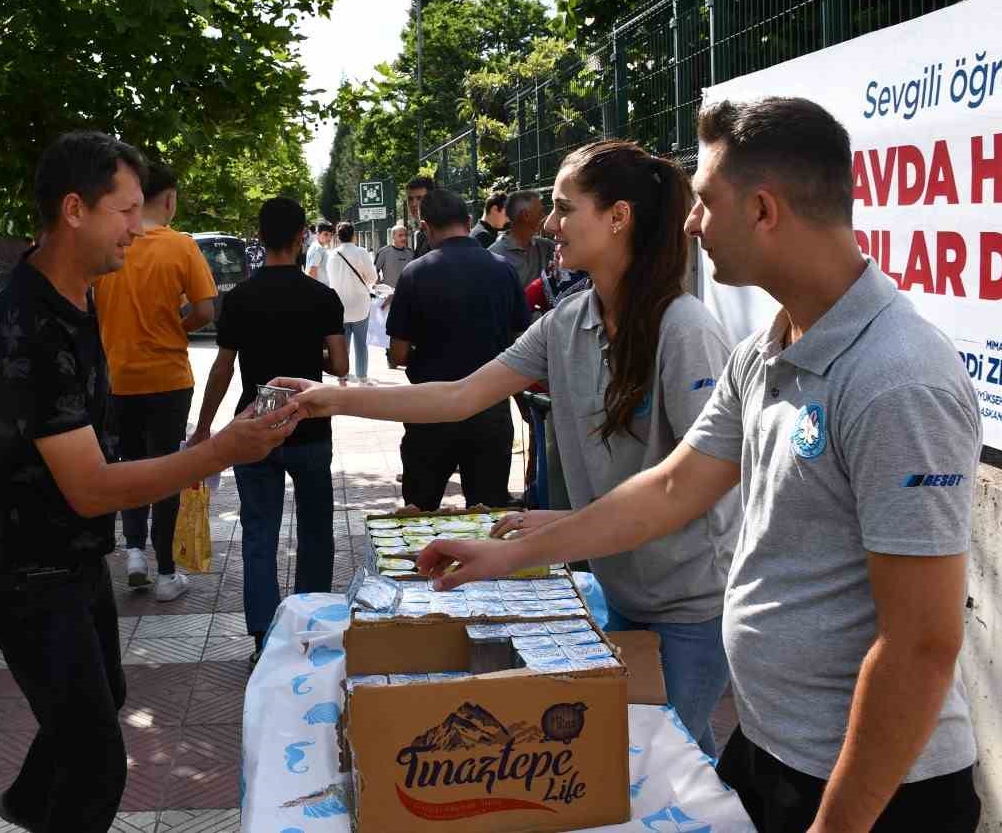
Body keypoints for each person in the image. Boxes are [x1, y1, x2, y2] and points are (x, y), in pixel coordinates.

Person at [412, 98, 983, 833]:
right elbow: (672, 486)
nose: (689, 223)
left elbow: (922, 643)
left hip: (878, 795)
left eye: (706, 202)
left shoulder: (896, 378)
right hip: (773, 751)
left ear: (764, 210)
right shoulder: (766, 353)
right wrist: (509, 554)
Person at [277, 140, 738, 751]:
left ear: (618, 217)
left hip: (689, 603)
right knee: (661, 750)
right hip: (625, 583)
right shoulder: (569, 321)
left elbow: (688, 488)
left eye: (565, 208)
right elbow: (458, 396)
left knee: (662, 753)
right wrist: (329, 396)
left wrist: (521, 551)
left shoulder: (685, 331)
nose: (549, 225)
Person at [0, 131, 300, 833]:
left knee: (101, 697)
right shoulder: (28, 319)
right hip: (24, 567)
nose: (138, 228)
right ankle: (38, 807)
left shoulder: (79, 297)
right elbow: (90, 486)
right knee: (96, 762)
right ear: (75, 210)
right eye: (125, 211)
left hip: (73, 554)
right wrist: (223, 449)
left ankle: (26, 804)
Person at [190, 196, 346, 661]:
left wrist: (203, 427)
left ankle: (263, 637)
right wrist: (308, 355)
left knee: (259, 532)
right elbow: (338, 363)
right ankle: (308, 627)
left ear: (260, 238)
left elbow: (221, 369)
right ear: (302, 237)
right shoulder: (322, 297)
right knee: (316, 529)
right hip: (309, 424)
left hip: (253, 427)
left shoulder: (238, 298)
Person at [93, 161, 218, 601]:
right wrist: (175, 327)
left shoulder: (111, 246)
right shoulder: (180, 246)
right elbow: (206, 309)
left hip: (118, 376)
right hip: (168, 376)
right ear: (168, 199)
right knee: (167, 470)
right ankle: (167, 573)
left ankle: (133, 555)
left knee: (129, 464)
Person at [380, 188, 529, 509]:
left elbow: (399, 354)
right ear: (469, 221)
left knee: (421, 514)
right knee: (487, 514)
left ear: (425, 226)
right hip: (490, 409)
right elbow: (521, 342)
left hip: (430, 410)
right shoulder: (503, 269)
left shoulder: (415, 274)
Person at [324, 221, 377, 384]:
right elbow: (372, 277)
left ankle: (342, 377)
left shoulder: (332, 255)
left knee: (342, 344)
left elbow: (329, 280)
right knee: (361, 343)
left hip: (339, 306)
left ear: (338, 237)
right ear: (353, 235)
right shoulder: (361, 252)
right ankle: (362, 378)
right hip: (360, 304)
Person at [489, 190, 556, 289]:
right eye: (540, 212)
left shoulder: (545, 247)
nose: (543, 216)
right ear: (526, 215)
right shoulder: (494, 257)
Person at [373, 223, 416, 287]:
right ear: (393, 236)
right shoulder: (383, 252)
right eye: (400, 235)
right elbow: (374, 271)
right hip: (390, 292)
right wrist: (379, 286)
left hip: (408, 291)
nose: (404, 238)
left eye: (405, 235)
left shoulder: (411, 253)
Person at [403, 176, 436, 256]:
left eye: (419, 198)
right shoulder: (420, 234)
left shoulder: (437, 233)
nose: (414, 204)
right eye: (410, 199)